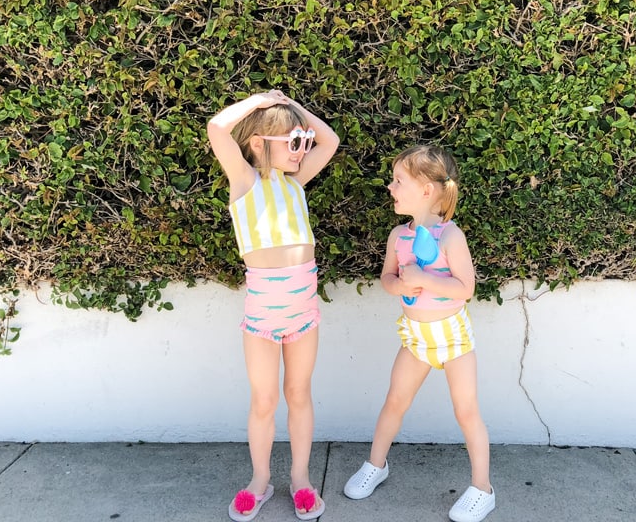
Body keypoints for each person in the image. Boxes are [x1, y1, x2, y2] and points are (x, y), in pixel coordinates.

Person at [343, 145, 495, 522]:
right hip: (415, 338)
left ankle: (482, 488)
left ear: (426, 189)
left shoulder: (449, 237)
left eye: (398, 181)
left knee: (466, 411)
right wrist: (398, 287)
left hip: (453, 339)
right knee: (394, 401)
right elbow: (387, 276)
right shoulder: (400, 235)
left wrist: (426, 278)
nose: (391, 188)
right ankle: (376, 465)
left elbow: (466, 288)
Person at [208, 89, 339, 522]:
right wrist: (260, 103)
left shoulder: (295, 184)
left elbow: (331, 141)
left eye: (303, 142)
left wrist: (295, 111)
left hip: (303, 312)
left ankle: (300, 478)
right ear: (260, 143)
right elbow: (216, 128)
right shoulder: (245, 183)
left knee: (299, 394)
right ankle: (259, 480)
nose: (303, 149)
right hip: (262, 316)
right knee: (264, 401)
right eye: (294, 142)